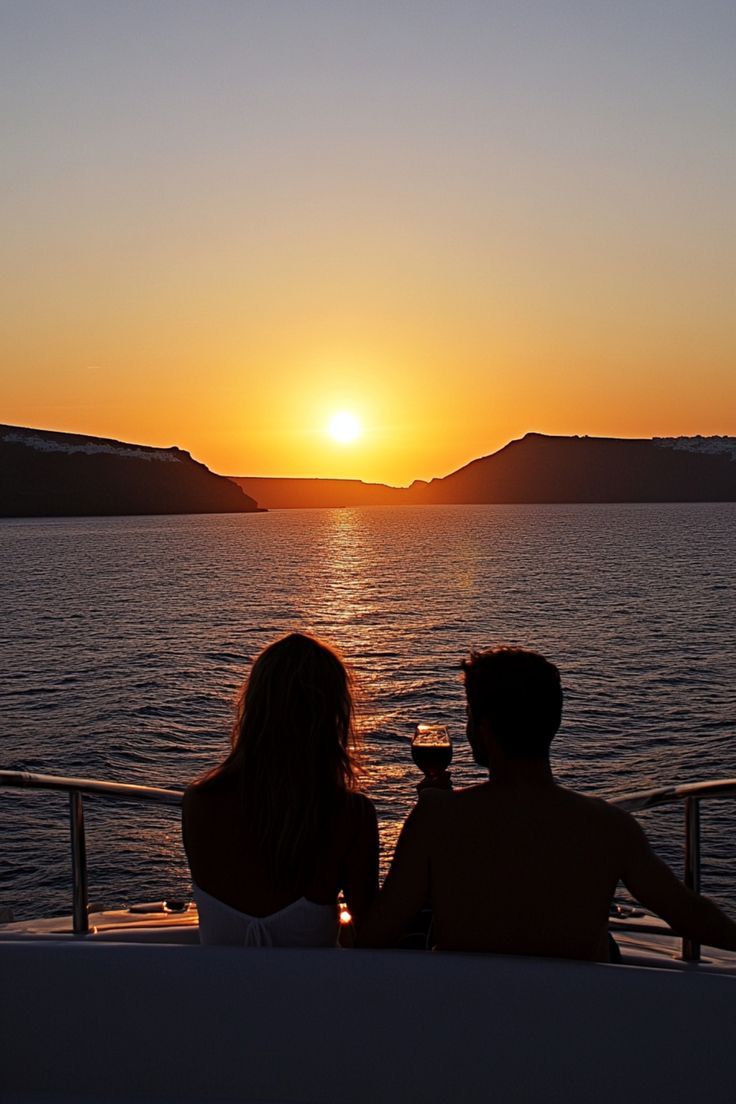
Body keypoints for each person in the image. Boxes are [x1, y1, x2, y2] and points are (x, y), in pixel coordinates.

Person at [359, 646, 736, 960]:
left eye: (469, 715)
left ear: (483, 728)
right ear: (552, 723)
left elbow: (376, 934)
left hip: (470, 1028)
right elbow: (688, 913)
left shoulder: (437, 819)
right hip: (575, 1034)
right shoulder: (610, 828)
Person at [183, 632, 379, 945]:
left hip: (218, 994)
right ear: (331, 716)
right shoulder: (350, 817)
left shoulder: (198, 804)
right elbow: (374, 936)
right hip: (315, 995)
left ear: (254, 710)